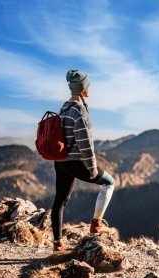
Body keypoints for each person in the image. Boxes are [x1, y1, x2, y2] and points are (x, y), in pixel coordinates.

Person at [51, 69, 116, 251]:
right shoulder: (78, 110)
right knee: (109, 183)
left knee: (60, 201)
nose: (90, 88)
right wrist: (92, 168)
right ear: (83, 88)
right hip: (76, 162)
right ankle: (96, 224)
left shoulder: (63, 108)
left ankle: (57, 242)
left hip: (60, 162)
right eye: (88, 85)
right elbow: (84, 143)